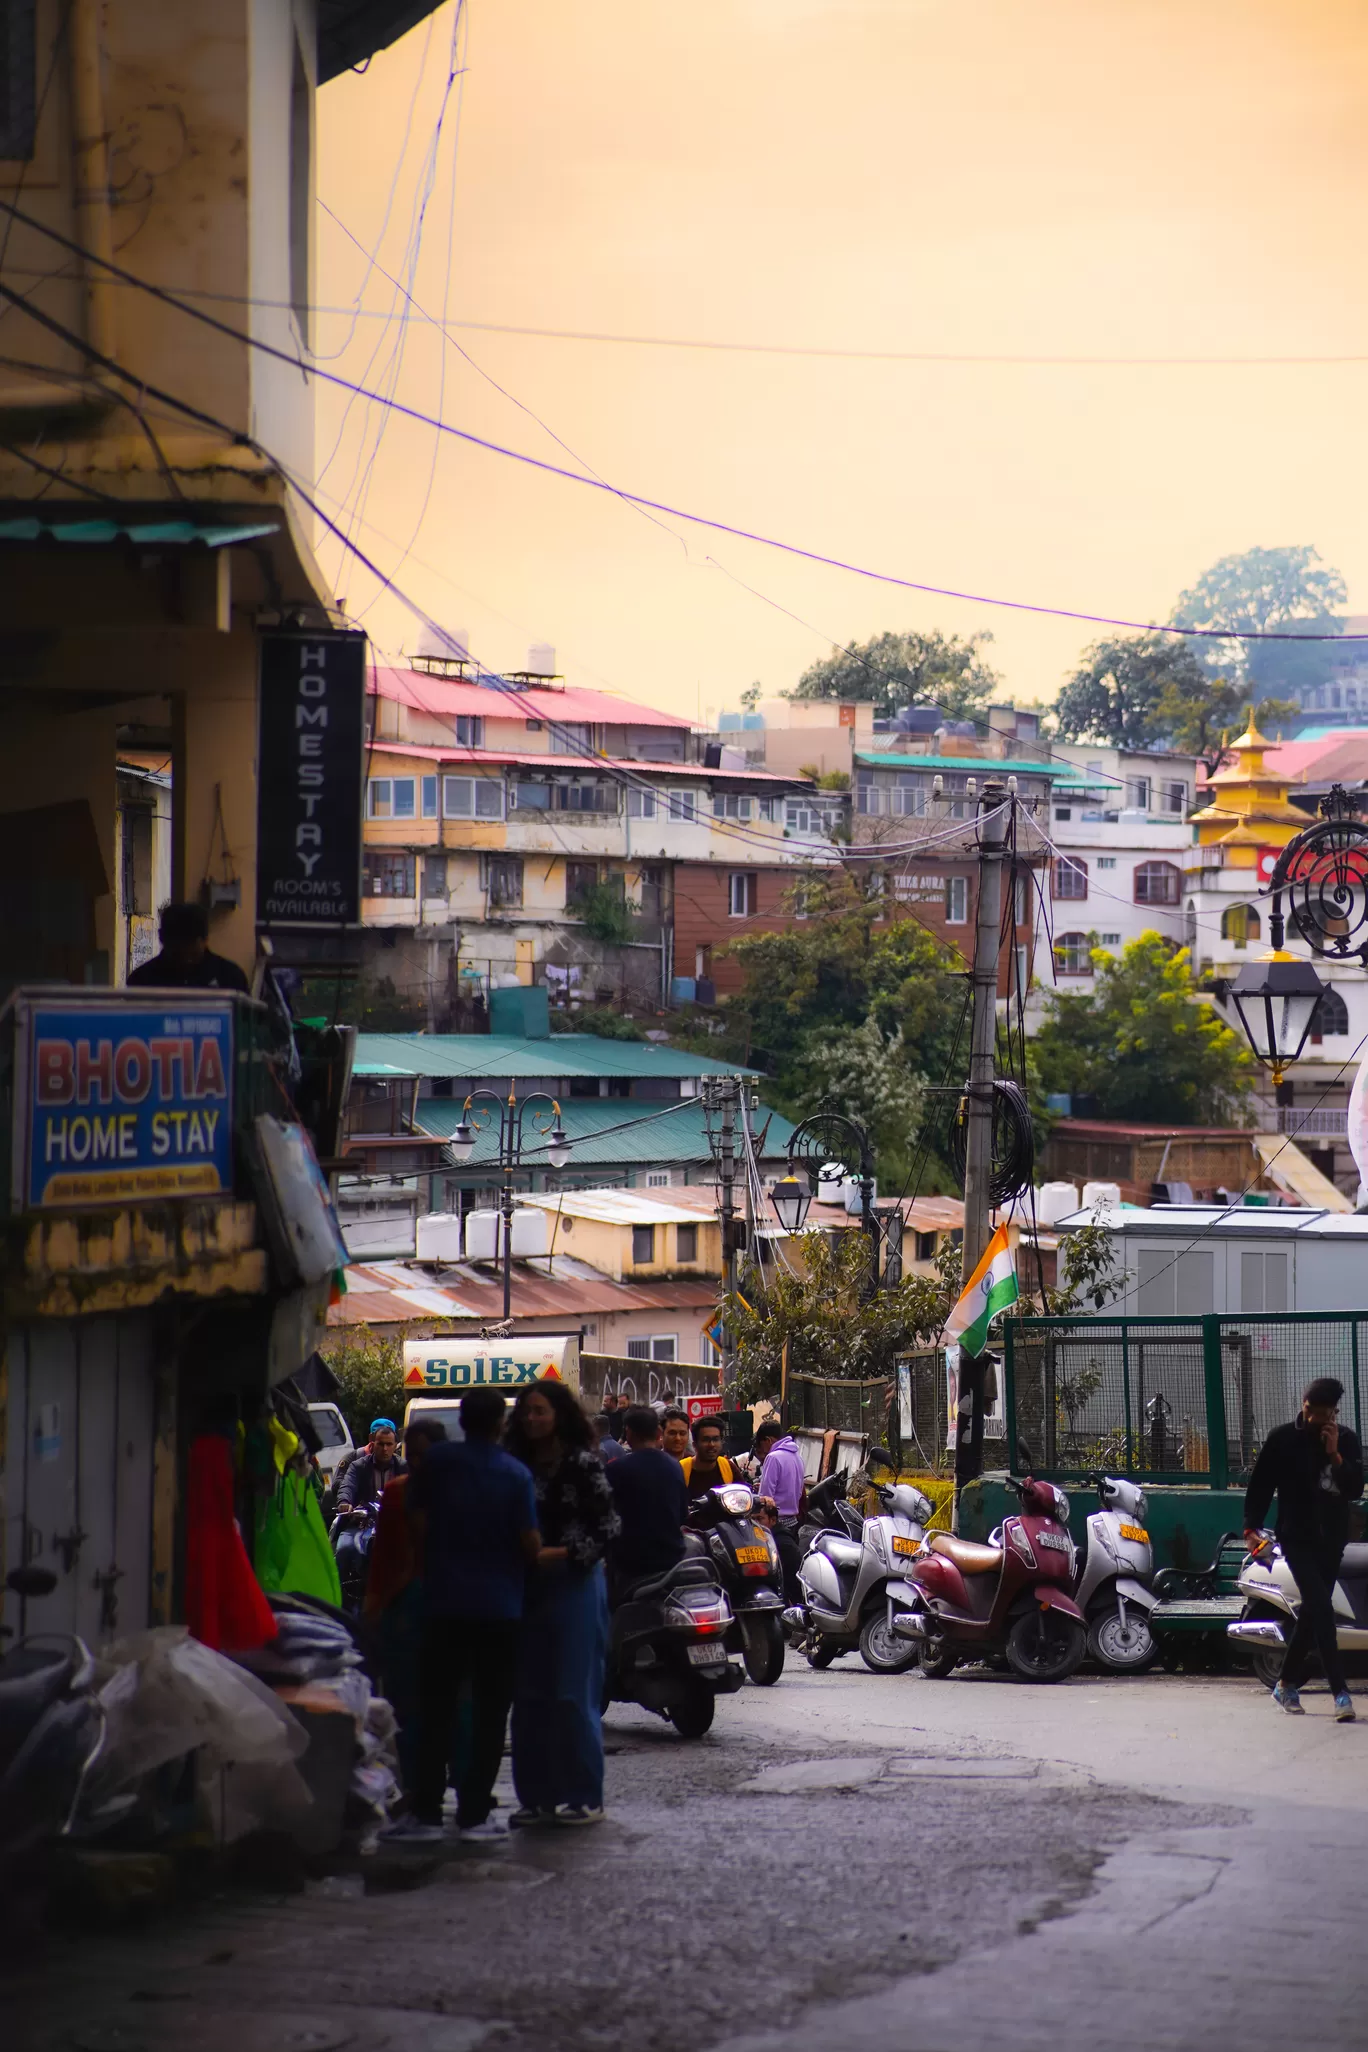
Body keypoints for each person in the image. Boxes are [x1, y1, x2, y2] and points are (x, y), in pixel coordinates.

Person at [386, 1388, 541, 1843]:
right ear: (500, 1424)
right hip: (500, 1609)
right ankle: (474, 1813)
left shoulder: (437, 1464)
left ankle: (428, 1813)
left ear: (461, 1419)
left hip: (443, 1604)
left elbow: (417, 1526)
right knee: (492, 1713)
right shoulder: (516, 1474)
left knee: (436, 1707)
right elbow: (530, 1545)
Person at [506, 1382, 620, 1828]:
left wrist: (563, 1555)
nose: (532, 1419)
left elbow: (609, 1528)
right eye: (526, 1411)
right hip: (524, 1588)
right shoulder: (514, 1464)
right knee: (530, 1696)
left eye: (540, 1411)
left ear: (559, 1415)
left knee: (573, 1693)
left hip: (574, 1585)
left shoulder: (583, 1464)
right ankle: (535, 1799)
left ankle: (582, 1796)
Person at [1245, 1376, 1364, 1721]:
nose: (1315, 1419)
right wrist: (1251, 1526)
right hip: (1296, 1537)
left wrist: (1335, 1456)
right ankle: (1340, 1693)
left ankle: (1285, 1685)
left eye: (1325, 1414)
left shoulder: (1346, 1440)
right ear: (1304, 1403)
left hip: (1332, 1539)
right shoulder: (1283, 1439)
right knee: (1322, 1609)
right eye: (1312, 1411)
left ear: (1333, 1413)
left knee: (1313, 1612)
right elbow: (1261, 1484)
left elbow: (1355, 1488)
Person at [363, 1418, 446, 1791]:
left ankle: (417, 1787)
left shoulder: (400, 1491)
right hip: (439, 1608)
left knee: (411, 1704)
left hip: (414, 1608)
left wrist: (373, 1609)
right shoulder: (457, 1491)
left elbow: (386, 1564)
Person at [607, 1405, 689, 1588]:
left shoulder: (616, 1469)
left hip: (631, 1566)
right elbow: (683, 1515)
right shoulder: (675, 1467)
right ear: (659, 1431)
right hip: (673, 1561)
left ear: (628, 1433)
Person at [127, 900, 250, 993]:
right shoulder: (142, 980)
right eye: (177, 950)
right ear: (161, 938)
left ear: (205, 940)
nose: (185, 958)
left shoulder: (229, 978)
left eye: (192, 951)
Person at [755, 1418, 806, 1603]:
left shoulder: (773, 1457)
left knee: (775, 1572)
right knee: (790, 1570)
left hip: (774, 1523)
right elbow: (800, 1489)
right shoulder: (797, 1457)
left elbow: (765, 1496)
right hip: (793, 1521)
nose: (763, 1450)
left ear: (768, 1440)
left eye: (762, 1444)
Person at [338, 1419, 406, 1512]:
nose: (385, 1449)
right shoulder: (358, 1466)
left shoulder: (404, 1467)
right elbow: (348, 1485)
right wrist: (344, 1501)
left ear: (395, 1446)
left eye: (389, 1444)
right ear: (373, 1444)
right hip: (364, 1520)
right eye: (381, 1444)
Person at [679, 1415, 739, 1503]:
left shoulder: (728, 1467)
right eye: (705, 1440)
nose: (711, 1445)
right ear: (694, 1444)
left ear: (722, 1442)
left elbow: (744, 1496)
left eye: (716, 1439)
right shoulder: (681, 1469)